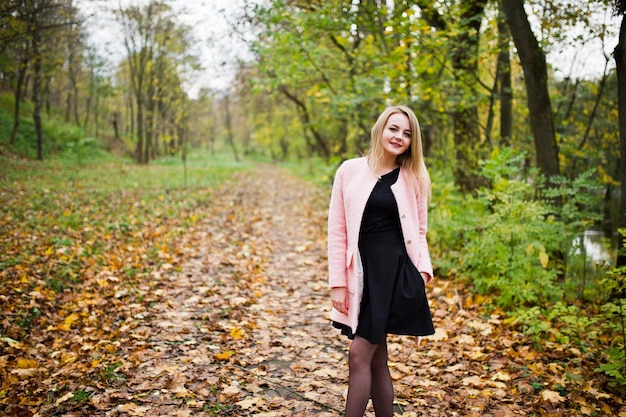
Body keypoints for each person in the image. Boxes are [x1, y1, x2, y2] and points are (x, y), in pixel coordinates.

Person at [327, 105, 435, 417]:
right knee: (376, 358)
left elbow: (421, 231)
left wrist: (423, 274)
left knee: (359, 354)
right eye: (394, 129)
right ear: (380, 129)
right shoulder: (349, 170)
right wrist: (337, 283)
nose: (399, 137)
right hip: (362, 275)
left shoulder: (413, 177)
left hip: (394, 275)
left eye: (407, 133)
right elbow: (337, 230)